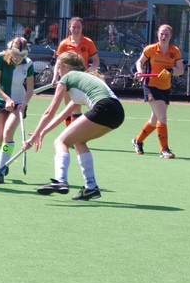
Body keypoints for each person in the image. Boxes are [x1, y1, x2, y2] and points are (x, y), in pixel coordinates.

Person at [26, 51, 124, 201]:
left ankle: (60, 180)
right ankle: (91, 188)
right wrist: (41, 132)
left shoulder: (67, 78)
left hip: (103, 107)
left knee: (60, 142)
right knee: (78, 141)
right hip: (117, 113)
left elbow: (49, 112)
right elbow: (63, 114)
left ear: (65, 66)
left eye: (58, 68)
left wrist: (33, 137)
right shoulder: (83, 80)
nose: (58, 72)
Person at [132, 24, 184, 159]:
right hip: (151, 86)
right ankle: (164, 150)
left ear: (170, 36)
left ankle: (137, 141)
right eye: (161, 34)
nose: (163, 36)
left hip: (165, 88)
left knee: (154, 121)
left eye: (166, 34)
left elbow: (181, 70)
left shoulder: (175, 51)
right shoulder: (150, 49)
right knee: (162, 117)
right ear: (158, 34)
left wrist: (171, 71)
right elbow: (139, 62)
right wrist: (140, 72)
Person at [0, 37, 34, 183]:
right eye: (15, 52)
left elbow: (30, 89)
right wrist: (7, 99)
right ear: (10, 49)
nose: (18, 57)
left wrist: (24, 103)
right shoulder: (0, 58)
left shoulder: (28, 63)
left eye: (22, 54)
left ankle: (0, 170)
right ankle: (2, 156)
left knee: (8, 133)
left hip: (19, 103)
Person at [56, 17, 100, 126]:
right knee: (68, 108)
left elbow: (96, 61)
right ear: (69, 28)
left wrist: (89, 71)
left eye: (79, 27)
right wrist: (55, 77)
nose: (76, 29)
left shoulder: (88, 42)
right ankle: (68, 132)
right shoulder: (64, 44)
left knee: (76, 107)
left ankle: (75, 133)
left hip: (80, 79)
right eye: (74, 27)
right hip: (67, 79)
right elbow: (58, 62)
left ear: (82, 27)